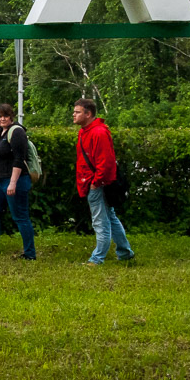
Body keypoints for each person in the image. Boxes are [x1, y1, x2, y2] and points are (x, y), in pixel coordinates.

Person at [74, 98, 134, 265]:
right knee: (110, 217)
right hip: (92, 182)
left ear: (88, 114)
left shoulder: (98, 132)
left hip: (96, 183)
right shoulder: (85, 131)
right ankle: (125, 252)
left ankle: (97, 258)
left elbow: (105, 162)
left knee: (100, 221)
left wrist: (96, 182)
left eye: (78, 112)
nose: (74, 115)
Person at [0, 103, 36, 259]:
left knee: (20, 216)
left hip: (16, 180)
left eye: (5, 116)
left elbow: (19, 159)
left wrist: (13, 183)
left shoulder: (17, 132)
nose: (2, 119)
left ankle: (29, 253)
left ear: (11, 117)